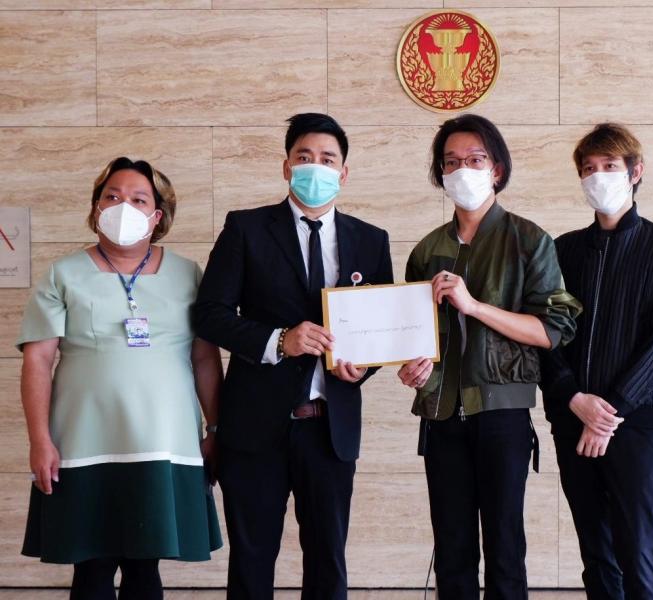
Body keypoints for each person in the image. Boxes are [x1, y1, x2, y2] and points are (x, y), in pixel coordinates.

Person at [192, 113, 393, 600]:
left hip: (330, 428)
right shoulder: (245, 228)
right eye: (305, 156)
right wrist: (278, 341)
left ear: (344, 172)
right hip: (254, 426)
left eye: (328, 159)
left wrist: (363, 367)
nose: (315, 167)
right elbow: (209, 316)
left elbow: (380, 330)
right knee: (251, 563)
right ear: (286, 166)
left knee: (328, 564)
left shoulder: (371, 240)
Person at [18, 157, 223, 600]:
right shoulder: (62, 274)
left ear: (158, 215)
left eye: (138, 199)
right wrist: (40, 440)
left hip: (163, 442)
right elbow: (37, 361)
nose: (122, 206)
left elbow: (205, 359)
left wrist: (215, 428)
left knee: (144, 568)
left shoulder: (188, 274)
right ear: (96, 208)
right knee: (91, 569)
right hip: (83, 442)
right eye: (111, 196)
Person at [397, 113, 580, 600]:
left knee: (504, 548)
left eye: (475, 159)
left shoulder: (529, 240)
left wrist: (475, 306)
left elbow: (554, 329)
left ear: (496, 169)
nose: (463, 170)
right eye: (451, 162)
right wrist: (412, 367)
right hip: (441, 415)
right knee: (452, 550)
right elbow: (414, 336)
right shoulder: (427, 250)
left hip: (502, 414)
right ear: (440, 173)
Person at [539, 123, 653, 599]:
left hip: (635, 424)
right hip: (572, 418)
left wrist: (608, 413)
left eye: (609, 166)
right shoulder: (563, 250)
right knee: (596, 554)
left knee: (638, 551)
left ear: (635, 172)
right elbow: (547, 334)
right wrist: (574, 398)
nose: (598, 177)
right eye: (588, 168)